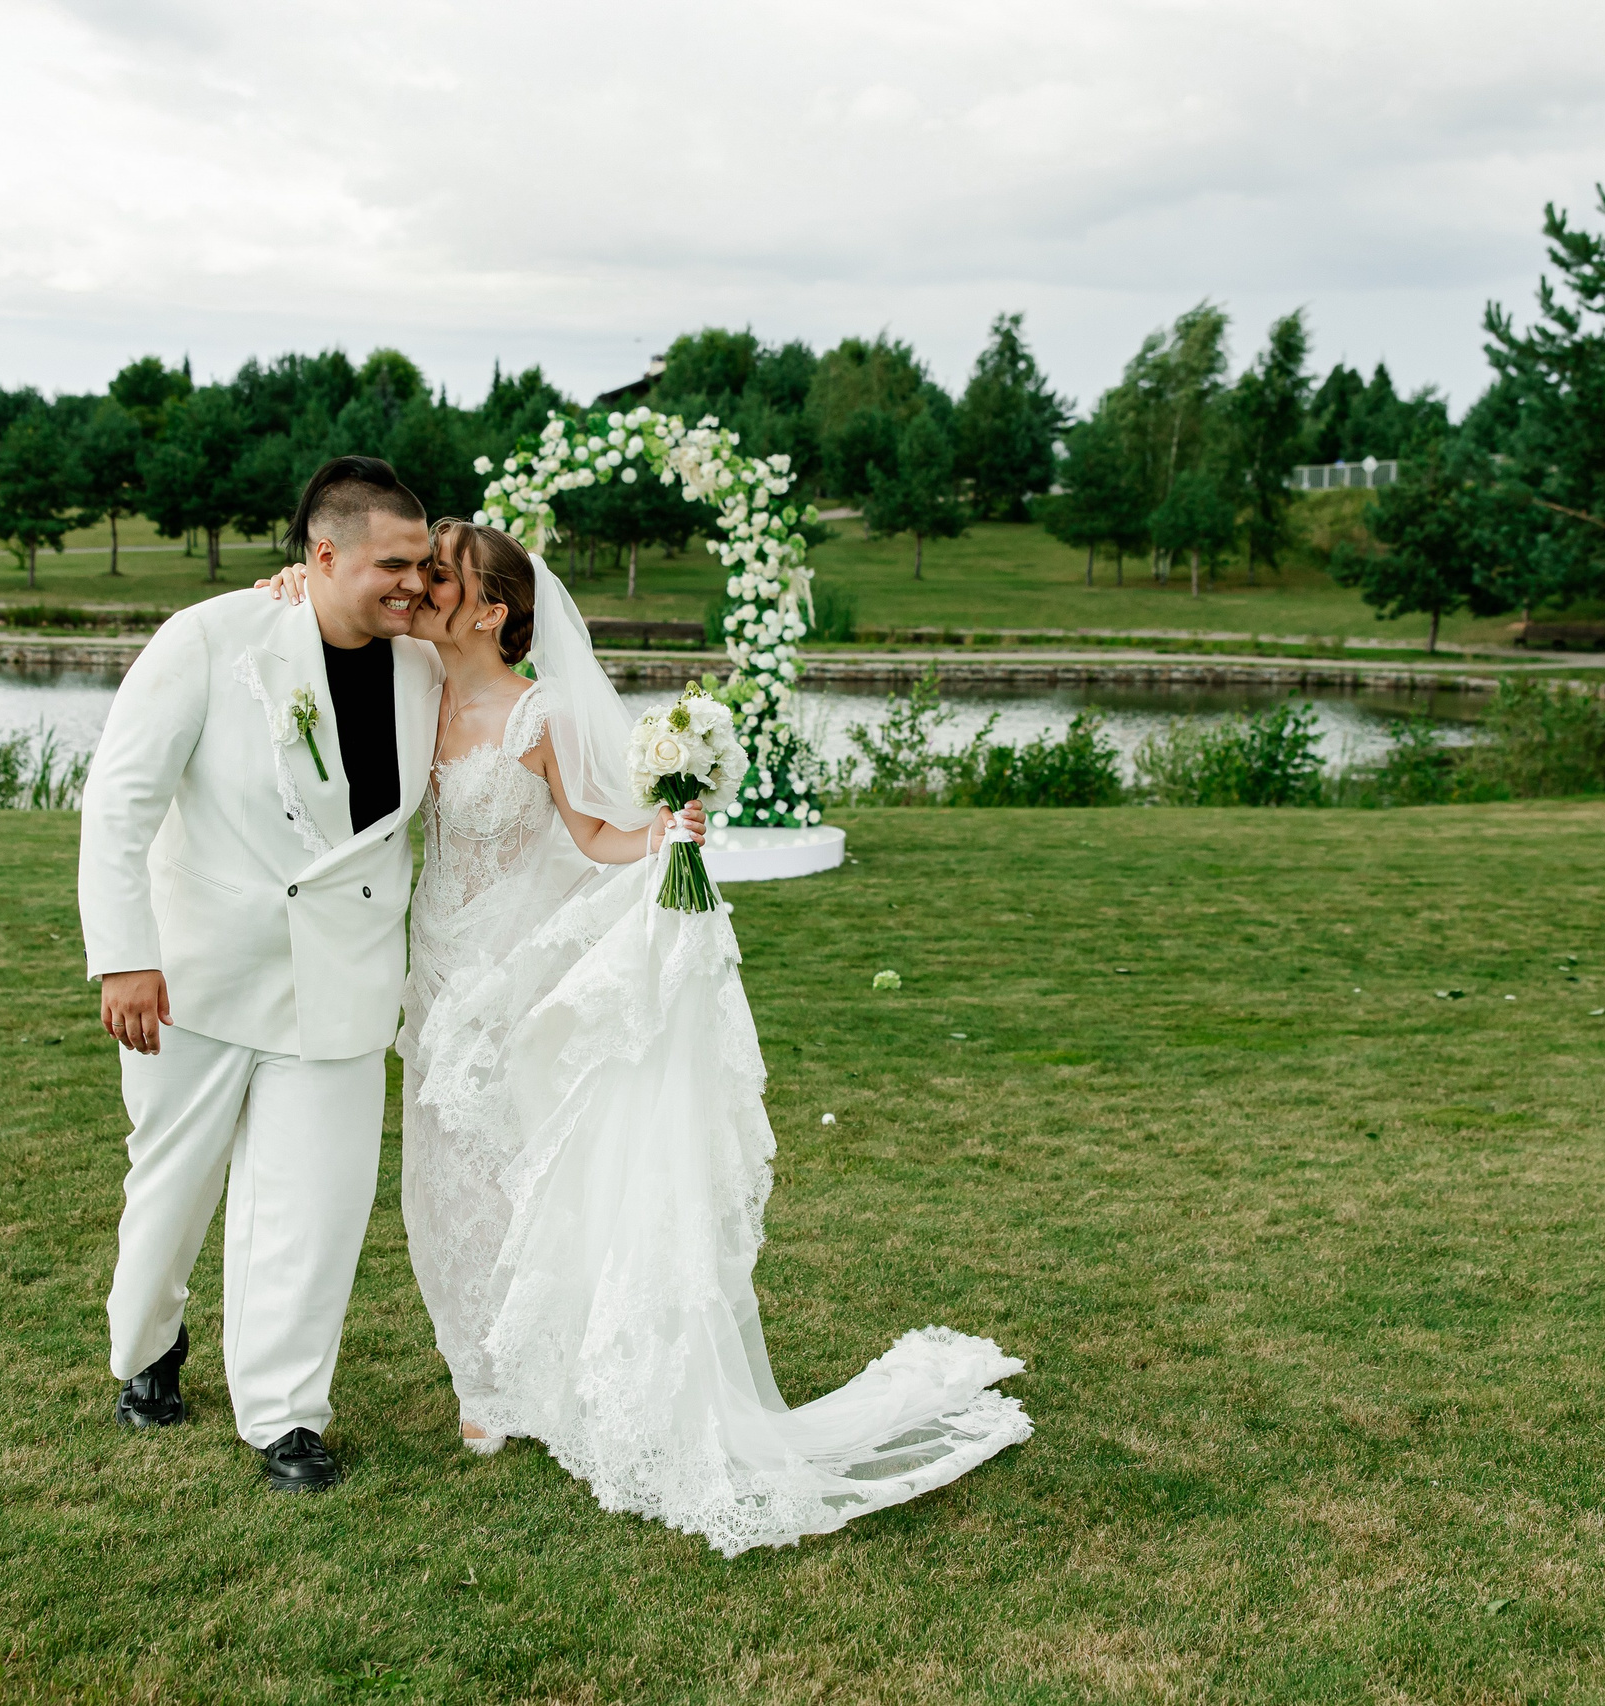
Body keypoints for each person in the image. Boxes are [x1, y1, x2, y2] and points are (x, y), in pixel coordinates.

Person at [261, 523, 1030, 1555]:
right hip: (433, 968)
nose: (420, 587)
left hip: (516, 964)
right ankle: (481, 1379)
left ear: (492, 610)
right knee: (441, 1175)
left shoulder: (535, 714)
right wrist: (287, 581)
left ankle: (533, 1376)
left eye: (442, 576)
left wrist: (670, 828)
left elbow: (592, 836)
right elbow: (331, 614)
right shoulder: (404, 678)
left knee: (516, 1169)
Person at [78, 455, 441, 1493]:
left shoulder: (423, 668)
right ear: (321, 555)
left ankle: (287, 1416)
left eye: (422, 562)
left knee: (315, 1207)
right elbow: (121, 801)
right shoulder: (209, 639)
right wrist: (125, 956)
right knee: (173, 1184)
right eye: (392, 562)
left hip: (344, 979)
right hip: (195, 973)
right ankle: (147, 1348)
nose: (413, 582)